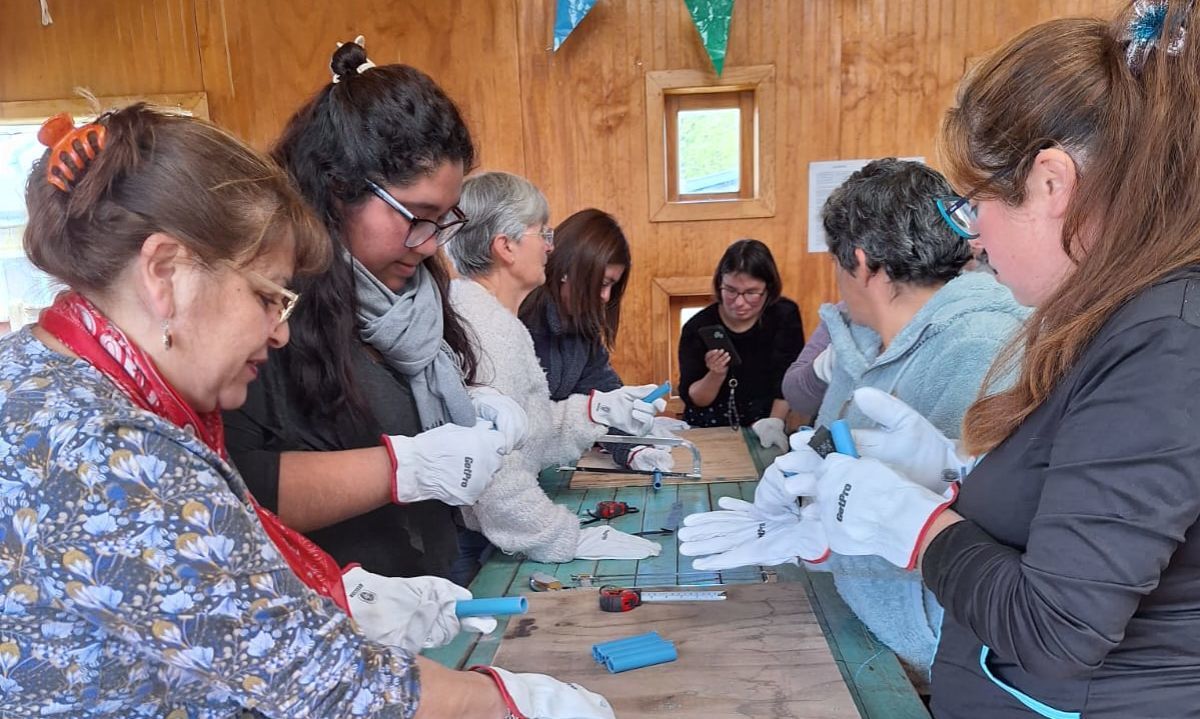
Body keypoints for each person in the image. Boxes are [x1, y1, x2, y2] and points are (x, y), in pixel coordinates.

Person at [1, 105, 612, 718]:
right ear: (164, 273)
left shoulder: (42, 378)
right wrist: (508, 702)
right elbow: (331, 688)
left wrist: (337, 597)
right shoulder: (108, 452)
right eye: (267, 296)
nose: (280, 333)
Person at [686, 2, 1200, 716]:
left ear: (1052, 185)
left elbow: (1057, 627)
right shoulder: (1110, 318)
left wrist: (917, 524)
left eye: (974, 207)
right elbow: (1074, 511)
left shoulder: (1163, 338)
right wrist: (947, 472)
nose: (974, 241)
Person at [689, 158, 1027, 689]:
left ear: (863, 263)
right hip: (863, 621)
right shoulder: (862, 341)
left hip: (930, 668)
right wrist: (809, 510)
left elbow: (980, 553)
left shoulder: (981, 344)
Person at [224, 38, 527, 581]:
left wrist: (469, 403)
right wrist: (404, 467)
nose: (430, 244)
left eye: (443, 220)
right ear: (339, 189)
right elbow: (240, 483)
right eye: (416, 215)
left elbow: (401, 396)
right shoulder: (273, 303)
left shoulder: (413, 283)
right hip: (339, 607)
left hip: (430, 585)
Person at [447, 171, 664, 564]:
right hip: (476, 532)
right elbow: (497, 477)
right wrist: (562, 537)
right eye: (542, 234)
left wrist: (595, 410)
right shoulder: (487, 333)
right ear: (506, 247)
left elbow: (529, 435)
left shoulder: (499, 323)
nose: (551, 248)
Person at [520, 207, 675, 473]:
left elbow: (603, 389)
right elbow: (524, 423)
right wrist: (599, 408)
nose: (606, 296)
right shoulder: (522, 322)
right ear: (567, 271)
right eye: (602, 283)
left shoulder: (582, 328)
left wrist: (632, 449)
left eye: (612, 286)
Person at [677, 239, 803, 450]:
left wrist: (773, 425)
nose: (739, 302)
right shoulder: (697, 327)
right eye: (730, 290)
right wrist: (715, 374)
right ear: (720, 284)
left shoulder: (784, 315)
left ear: (768, 289)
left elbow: (787, 380)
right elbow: (695, 399)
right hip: (711, 429)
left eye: (751, 293)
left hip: (767, 422)